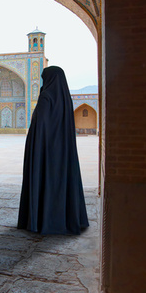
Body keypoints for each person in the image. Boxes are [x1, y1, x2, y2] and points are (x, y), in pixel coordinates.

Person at [17, 65, 89, 235]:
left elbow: (38, 127)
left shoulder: (46, 97)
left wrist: (35, 149)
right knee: (61, 181)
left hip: (45, 152)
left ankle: (42, 220)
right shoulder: (65, 99)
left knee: (45, 180)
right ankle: (66, 219)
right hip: (63, 151)